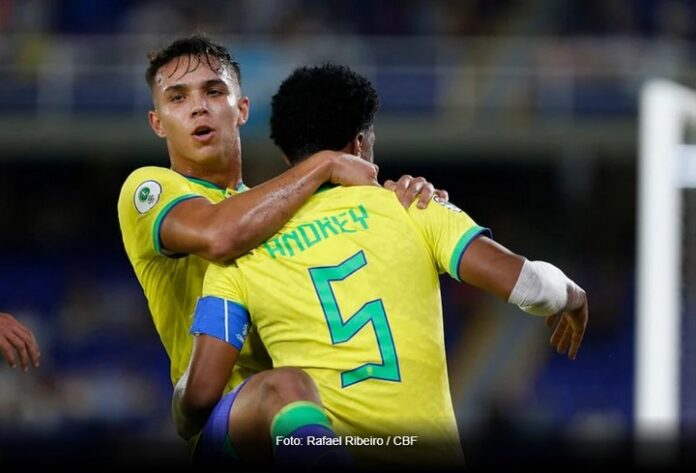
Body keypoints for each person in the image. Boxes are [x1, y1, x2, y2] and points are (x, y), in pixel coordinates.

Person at [176, 64, 589, 469]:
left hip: (311, 446)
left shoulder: (241, 254)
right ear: (360, 144)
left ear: (288, 157)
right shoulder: (416, 208)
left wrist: (182, 402)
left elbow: (200, 399)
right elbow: (531, 287)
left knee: (270, 393)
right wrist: (571, 294)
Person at [117, 35, 444, 466]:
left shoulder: (278, 210)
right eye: (178, 98)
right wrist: (324, 163)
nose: (198, 107)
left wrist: (408, 204)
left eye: (213, 92)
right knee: (283, 386)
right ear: (158, 122)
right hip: (232, 421)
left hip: (312, 419)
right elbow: (218, 235)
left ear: (242, 110)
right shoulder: (149, 188)